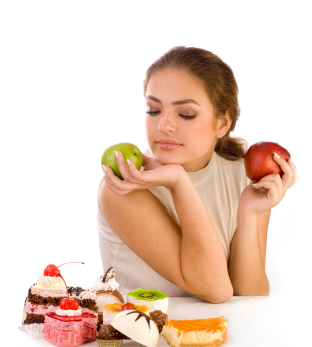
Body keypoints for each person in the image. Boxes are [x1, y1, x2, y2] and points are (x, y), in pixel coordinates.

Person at [97, 46, 298, 303]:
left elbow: (250, 297)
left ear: (222, 124)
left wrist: (249, 214)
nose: (163, 126)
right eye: (153, 110)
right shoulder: (124, 186)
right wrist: (179, 183)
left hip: (220, 338)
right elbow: (215, 289)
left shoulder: (244, 172)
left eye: (185, 114)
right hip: (142, 337)